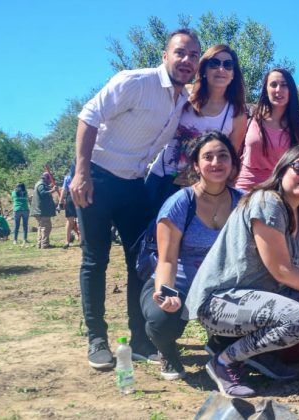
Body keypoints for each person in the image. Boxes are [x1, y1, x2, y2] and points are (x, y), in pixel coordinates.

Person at [183, 145, 299, 397]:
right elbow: (283, 272)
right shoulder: (267, 202)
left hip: (256, 300)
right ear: (283, 169)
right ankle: (224, 361)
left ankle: (259, 355)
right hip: (220, 302)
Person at [70, 29, 201, 369]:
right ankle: (97, 339)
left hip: (133, 185)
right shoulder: (135, 82)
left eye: (193, 55)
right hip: (97, 177)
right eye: (180, 53)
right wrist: (81, 173)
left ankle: (140, 338)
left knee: (141, 262)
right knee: (95, 260)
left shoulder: (184, 100)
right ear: (165, 55)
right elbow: (88, 116)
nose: (187, 60)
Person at [141, 132, 242, 381]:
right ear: (196, 165)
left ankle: (219, 342)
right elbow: (166, 259)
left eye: (223, 156)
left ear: (232, 163)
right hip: (181, 284)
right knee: (162, 320)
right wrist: (167, 293)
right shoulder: (180, 203)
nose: (216, 162)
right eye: (208, 157)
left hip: (220, 290)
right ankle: (167, 350)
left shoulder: (243, 202)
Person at [146, 43, 248, 214]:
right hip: (161, 179)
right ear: (204, 70)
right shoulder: (185, 96)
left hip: (199, 190)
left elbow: (231, 161)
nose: (221, 69)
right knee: (145, 237)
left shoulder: (237, 114)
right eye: (214, 63)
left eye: (228, 65)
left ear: (233, 74)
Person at [235, 68, 299, 191]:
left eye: (284, 85)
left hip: (277, 192)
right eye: (273, 85)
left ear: (291, 91)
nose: (278, 90)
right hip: (243, 189)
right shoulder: (249, 116)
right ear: (266, 90)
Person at [31, 173, 57, 249]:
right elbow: (43, 193)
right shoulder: (41, 184)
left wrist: (50, 187)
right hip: (41, 211)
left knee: (41, 227)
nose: (50, 181)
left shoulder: (41, 184)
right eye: (50, 179)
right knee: (46, 227)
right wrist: (52, 190)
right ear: (46, 178)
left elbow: (44, 190)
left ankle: (40, 244)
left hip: (40, 210)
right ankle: (44, 244)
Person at [58, 170, 80, 249]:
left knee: (69, 221)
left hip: (70, 198)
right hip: (79, 197)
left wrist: (60, 202)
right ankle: (82, 240)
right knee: (80, 220)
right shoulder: (81, 174)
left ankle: (67, 241)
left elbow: (64, 190)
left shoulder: (68, 177)